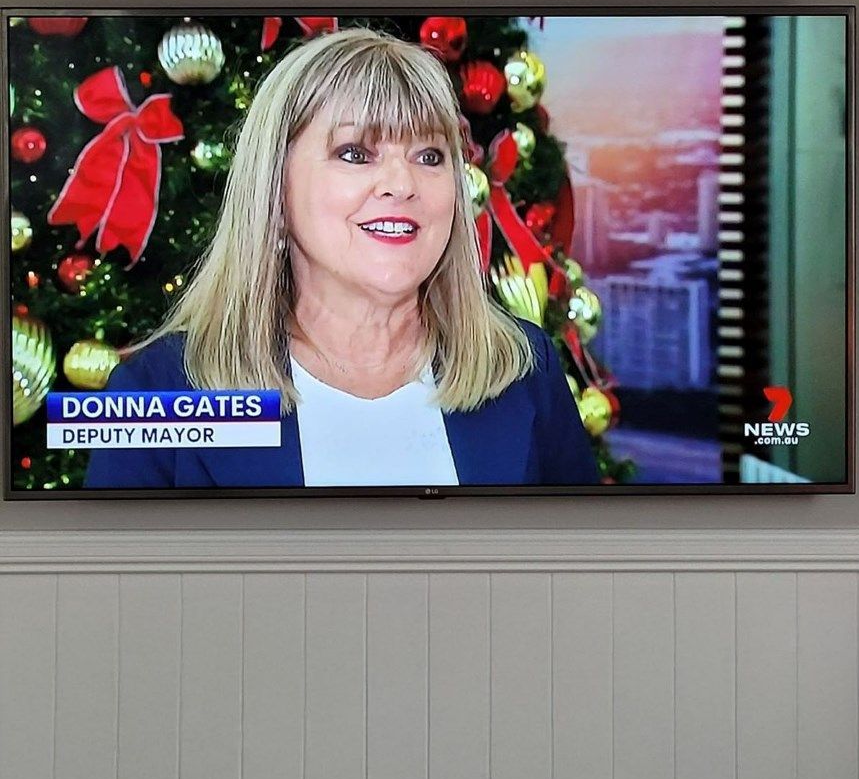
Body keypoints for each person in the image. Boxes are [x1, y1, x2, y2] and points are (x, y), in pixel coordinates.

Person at [83, 26, 598, 490]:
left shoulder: (524, 369)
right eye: (355, 153)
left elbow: (576, 581)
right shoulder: (159, 393)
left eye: (429, 156)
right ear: (275, 191)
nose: (402, 184)